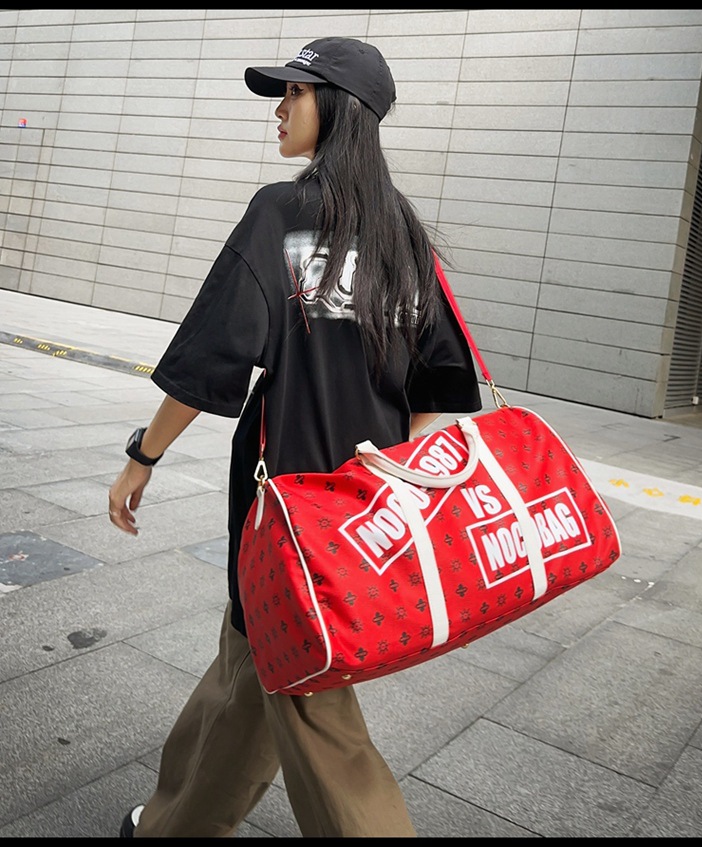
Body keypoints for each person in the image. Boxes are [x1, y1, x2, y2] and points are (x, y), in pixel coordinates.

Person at [108, 36, 482, 838]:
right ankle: (174, 823)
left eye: (294, 92)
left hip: (287, 509)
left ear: (339, 107)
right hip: (363, 514)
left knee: (316, 715)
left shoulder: (282, 212)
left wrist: (143, 455)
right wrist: (387, 476)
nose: (279, 109)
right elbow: (442, 382)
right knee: (249, 667)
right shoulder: (405, 236)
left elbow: (213, 355)